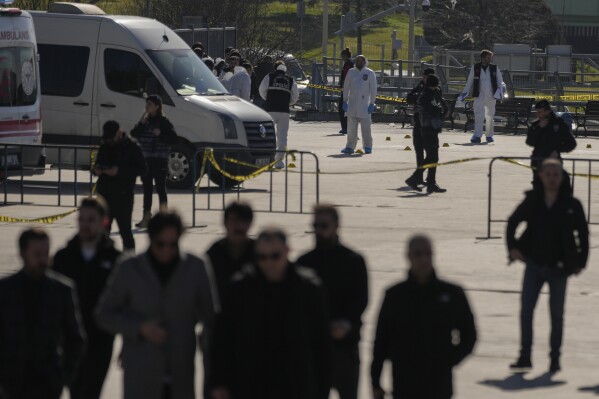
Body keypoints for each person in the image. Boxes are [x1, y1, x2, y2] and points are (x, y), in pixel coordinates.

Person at [96, 211, 217, 399]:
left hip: (180, 374)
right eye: (160, 244)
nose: (167, 250)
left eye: (173, 244)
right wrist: (139, 328)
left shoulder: (196, 267)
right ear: (151, 239)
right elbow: (104, 314)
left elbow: (211, 318)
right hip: (141, 372)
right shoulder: (129, 268)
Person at [210, 228, 330, 399]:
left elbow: (322, 345)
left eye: (275, 256)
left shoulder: (308, 289)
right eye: (262, 257)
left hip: (295, 386)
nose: (268, 263)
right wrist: (219, 382)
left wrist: (322, 391)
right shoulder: (240, 289)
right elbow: (222, 338)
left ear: (287, 251)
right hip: (251, 386)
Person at [506, 158, 589, 373]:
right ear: (541, 176)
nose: (552, 178)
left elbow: (583, 234)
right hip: (534, 264)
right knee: (526, 311)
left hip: (560, 268)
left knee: (556, 315)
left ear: (562, 178)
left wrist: (581, 262)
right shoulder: (533, 200)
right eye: (548, 174)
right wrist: (512, 248)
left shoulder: (572, 204)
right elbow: (512, 222)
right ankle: (525, 356)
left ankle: (554, 359)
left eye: (556, 174)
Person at [371, 235, 477, 399]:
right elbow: (381, 341)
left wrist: (449, 359)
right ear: (408, 257)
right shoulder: (395, 295)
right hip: (405, 383)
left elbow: (469, 334)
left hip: (439, 385)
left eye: (428, 253)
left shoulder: (451, 293)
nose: (424, 259)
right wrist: (375, 381)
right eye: (418, 254)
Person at [0, 229, 85, 399]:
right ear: (23, 255)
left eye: (46, 254)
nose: (43, 260)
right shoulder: (5, 290)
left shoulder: (62, 290)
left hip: (48, 383)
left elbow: (75, 338)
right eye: (37, 254)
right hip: (11, 384)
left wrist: (64, 377)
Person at [53, 197, 121, 399]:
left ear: (104, 222)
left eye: (91, 220)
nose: (85, 224)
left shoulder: (115, 260)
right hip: (70, 339)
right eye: (81, 219)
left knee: (92, 391)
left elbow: (126, 302)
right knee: (76, 390)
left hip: (101, 338)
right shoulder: (63, 257)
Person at [297, 205, 368, 399]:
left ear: (336, 226)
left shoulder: (353, 261)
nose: (319, 230)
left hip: (345, 347)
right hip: (313, 350)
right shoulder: (303, 263)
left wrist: (346, 323)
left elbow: (361, 299)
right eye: (316, 225)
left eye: (324, 225)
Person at [94, 120, 146, 251]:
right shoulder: (105, 146)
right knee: (102, 232)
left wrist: (119, 171)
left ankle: (129, 261)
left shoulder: (131, 147)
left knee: (125, 232)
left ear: (119, 132)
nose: (110, 141)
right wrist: (97, 169)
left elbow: (143, 169)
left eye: (112, 138)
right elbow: (98, 163)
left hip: (123, 197)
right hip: (104, 196)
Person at [131, 95, 177, 228]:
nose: (147, 107)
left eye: (149, 104)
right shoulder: (145, 121)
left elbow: (174, 139)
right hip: (146, 160)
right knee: (147, 189)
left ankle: (164, 218)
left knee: (161, 189)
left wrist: (161, 134)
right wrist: (141, 123)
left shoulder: (164, 122)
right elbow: (134, 134)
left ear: (157, 106)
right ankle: (146, 217)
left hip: (160, 160)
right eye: (146, 104)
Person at [206, 201, 256, 304]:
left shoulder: (261, 253)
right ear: (225, 223)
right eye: (234, 220)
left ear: (250, 223)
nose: (239, 225)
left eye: (243, 221)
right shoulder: (214, 253)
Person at [526, 100, 577, 190]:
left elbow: (571, 143)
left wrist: (557, 150)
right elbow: (529, 142)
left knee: (558, 188)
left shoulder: (559, 124)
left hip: (554, 162)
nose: (538, 115)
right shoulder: (536, 125)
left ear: (547, 111)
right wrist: (539, 129)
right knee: (539, 189)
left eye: (540, 112)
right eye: (537, 112)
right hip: (538, 161)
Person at [259, 60, 299, 169]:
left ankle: (269, 160)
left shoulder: (269, 76)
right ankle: (279, 161)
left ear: (275, 68)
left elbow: (261, 90)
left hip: (270, 110)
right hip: (284, 111)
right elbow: (295, 96)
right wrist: (287, 102)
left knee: (269, 135)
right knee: (282, 137)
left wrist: (268, 98)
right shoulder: (291, 80)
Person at [460, 49, 504, 143]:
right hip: (478, 96)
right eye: (488, 58)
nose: (490, 59)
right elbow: (469, 82)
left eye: (490, 58)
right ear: (483, 58)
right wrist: (464, 93)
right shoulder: (475, 68)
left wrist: (502, 89)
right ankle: (477, 136)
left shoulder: (494, 68)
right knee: (478, 116)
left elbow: (500, 81)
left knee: (489, 117)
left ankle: (489, 135)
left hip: (491, 97)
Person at [405, 67, 436, 190]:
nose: (423, 79)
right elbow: (409, 98)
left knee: (431, 154)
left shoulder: (434, 89)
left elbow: (433, 104)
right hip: (418, 124)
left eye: (426, 77)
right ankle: (419, 178)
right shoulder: (419, 87)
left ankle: (430, 180)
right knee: (419, 152)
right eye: (423, 77)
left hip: (429, 126)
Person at [417, 74, 449, 193]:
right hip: (428, 128)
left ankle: (429, 181)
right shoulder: (426, 96)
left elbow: (441, 108)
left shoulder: (432, 94)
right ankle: (420, 179)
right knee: (433, 157)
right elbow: (434, 109)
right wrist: (440, 111)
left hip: (431, 128)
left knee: (432, 157)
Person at [341, 55, 377, 155]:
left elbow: (373, 89)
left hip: (365, 105)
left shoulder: (369, 73)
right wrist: (345, 100)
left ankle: (368, 146)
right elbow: (346, 86)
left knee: (366, 128)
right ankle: (350, 147)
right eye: (357, 60)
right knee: (351, 128)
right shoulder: (351, 72)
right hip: (352, 104)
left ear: (365, 61)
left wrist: (372, 103)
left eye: (361, 60)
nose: (359, 62)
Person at [338, 47, 354, 135]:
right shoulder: (349, 64)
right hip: (348, 90)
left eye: (342, 55)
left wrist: (343, 87)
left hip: (347, 90)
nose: (341, 57)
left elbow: (347, 78)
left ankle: (345, 127)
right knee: (346, 109)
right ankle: (346, 127)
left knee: (342, 109)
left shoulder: (348, 64)